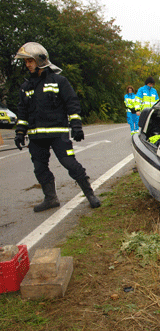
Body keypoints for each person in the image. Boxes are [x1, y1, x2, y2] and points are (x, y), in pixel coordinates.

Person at [14, 42, 100, 212]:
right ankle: (51, 198)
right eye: (25, 62)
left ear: (40, 60)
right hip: (36, 137)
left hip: (58, 133)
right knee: (39, 168)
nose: (28, 65)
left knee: (70, 163)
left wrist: (76, 126)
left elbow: (72, 103)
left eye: (30, 61)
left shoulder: (59, 80)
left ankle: (90, 194)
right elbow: (22, 112)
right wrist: (19, 133)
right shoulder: (26, 87)